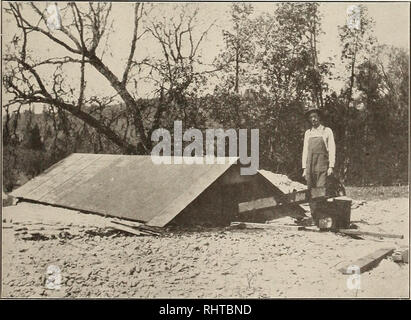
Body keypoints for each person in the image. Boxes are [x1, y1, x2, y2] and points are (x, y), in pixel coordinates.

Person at [302, 107, 336, 224]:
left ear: (319, 117)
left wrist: (331, 166)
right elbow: (305, 151)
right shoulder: (308, 133)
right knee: (311, 191)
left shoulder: (327, 131)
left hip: (322, 165)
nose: (313, 119)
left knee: (321, 191)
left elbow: (332, 149)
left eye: (315, 117)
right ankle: (314, 217)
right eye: (311, 117)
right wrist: (304, 168)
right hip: (310, 165)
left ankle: (322, 217)